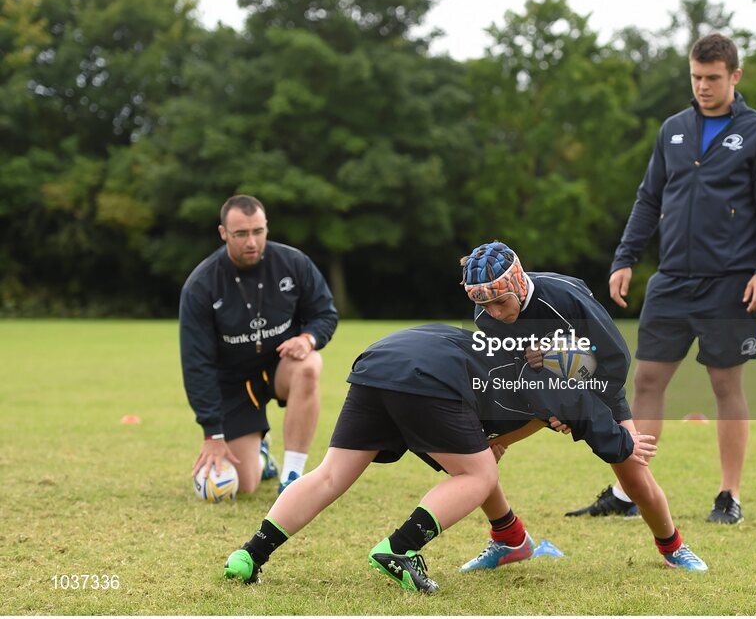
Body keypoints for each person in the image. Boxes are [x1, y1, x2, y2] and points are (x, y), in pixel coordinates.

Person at [220, 324, 662, 593]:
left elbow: (512, 418)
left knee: (330, 474)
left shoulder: (509, 349)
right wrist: (627, 444)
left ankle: (249, 556)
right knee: (478, 474)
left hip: (380, 362)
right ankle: (400, 548)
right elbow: (582, 415)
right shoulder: (554, 377)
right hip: (424, 378)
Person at [568, 33, 756, 524]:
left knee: (725, 386)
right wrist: (624, 258)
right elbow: (649, 198)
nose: (703, 86)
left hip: (731, 281)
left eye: (713, 78)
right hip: (671, 280)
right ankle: (631, 493)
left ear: (735, 76)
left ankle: (729, 496)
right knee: (645, 379)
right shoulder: (673, 130)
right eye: (696, 77)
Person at [456, 241, 708, 573]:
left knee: (635, 478)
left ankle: (673, 547)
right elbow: (510, 364)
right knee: (480, 451)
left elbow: (615, 362)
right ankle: (509, 540)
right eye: (486, 306)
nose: (495, 314)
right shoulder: (486, 313)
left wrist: (574, 406)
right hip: (535, 394)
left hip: (598, 388)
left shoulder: (566, 298)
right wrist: (550, 406)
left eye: (500, 302)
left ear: (517, 282)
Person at [180, 194, 338, 496]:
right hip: (234, 384)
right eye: (241, 234)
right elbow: (196, 362)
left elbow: (324, 313)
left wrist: (308, 339)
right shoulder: (201, 284)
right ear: (223, 233)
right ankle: (262, 456)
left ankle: (292, 477)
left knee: (310, 364)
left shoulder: (293, 263)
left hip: (279, 368)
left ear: (266, 227)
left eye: (258, 231)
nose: (251, 241)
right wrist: (212, 432)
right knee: (245, 485)